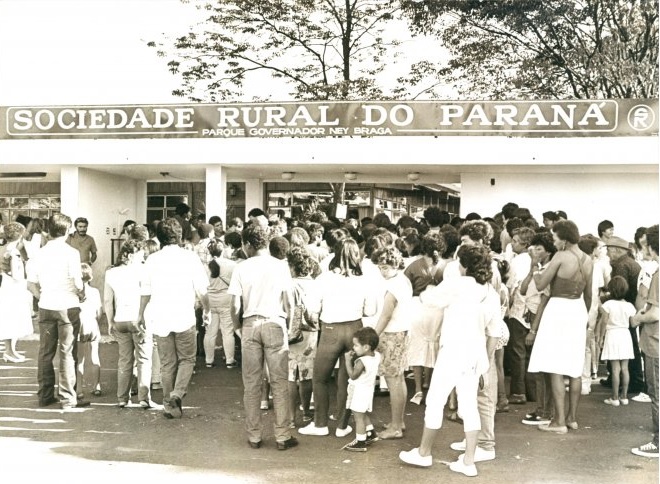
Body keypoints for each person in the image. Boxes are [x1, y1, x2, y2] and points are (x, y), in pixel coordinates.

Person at [399, 244, 501, 477]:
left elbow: (428, 299)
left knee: (435, 401)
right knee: (470, 406)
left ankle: (424, 453)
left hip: (453, 350)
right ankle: (468, 461)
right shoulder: (491, 294)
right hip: (475, 355)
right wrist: (484, 362)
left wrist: (432, 282)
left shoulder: (456, 285)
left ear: (463, 265)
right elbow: (493, 333)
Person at [228, 225, 298, 450]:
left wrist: (238, 327)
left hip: (250, 323)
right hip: (275, 321)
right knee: (279, 382)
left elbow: (235, 305)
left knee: (252, 385)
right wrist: (289, 326)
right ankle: (282, 435)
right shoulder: (281, 266)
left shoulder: (241, 267)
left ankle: (255, 435)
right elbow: (290, 302)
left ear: (247, 245)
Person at [299, 238, 377, 438]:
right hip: (355, 329)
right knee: (347, 380)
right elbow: (371, 309)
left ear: (335, 253)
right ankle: (342, 425)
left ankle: (320, 424)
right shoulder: (364, 279)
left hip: (331, 329)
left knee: (320, 378)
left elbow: (313, 308)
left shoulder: (324, 279)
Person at [137, 218, 210, 418]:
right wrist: (207, 310)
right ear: (179, 235)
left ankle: (170, 404)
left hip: (160, 317)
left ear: (159, 237)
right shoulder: (190, 257)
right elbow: (202, 290)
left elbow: (146, 291)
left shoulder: (152, 260)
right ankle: (177, 394)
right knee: (187, 359)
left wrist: (140, 314)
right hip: (184, 316)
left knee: (168, 363)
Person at [527, 220, 593, 433]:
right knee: (574, 366)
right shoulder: (588, 259)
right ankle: (572, 418)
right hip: (578, 309)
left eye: (555, 238)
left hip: (558, 309)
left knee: (555, 365)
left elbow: (540, 284)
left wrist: (536, 265)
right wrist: (584, 316)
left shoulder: (561, 257)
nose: (553, 242)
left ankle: (558, 422)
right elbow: (589, 295)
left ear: (564, 239)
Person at [27, 213, 89, 409]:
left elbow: (31, 285)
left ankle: (45, 395)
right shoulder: (71, 253)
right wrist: (81, 294)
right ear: (68, 230)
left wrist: (43, 296)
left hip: (46, 306)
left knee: (45, 352)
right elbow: (78, 283)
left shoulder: (39, 253)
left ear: (49, 230)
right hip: (68, 307)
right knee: (67, 352)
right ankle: (68, 397)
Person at [105, 240, 156, 408]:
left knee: (124, 360)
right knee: (143, 360)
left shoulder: (111, 273)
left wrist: (110, 321)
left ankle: (122, 398)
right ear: (133, 254)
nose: (144, 257)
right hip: (139, 319)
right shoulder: (144, 271)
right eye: (142, 254)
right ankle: (144, 398)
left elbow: (107, 300)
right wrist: (144, 316)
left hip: (120, 320)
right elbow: (148, 296)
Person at [371, 246, 413, 440]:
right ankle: (399, 421)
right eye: (379, 267)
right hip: (400, 333)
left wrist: (373, 336)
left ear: (395, 264)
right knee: (398, 378)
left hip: (391, 335)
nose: (382, 271)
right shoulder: (402, 280)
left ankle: (396, 426)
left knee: (393, 380)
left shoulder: (393, 286)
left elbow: (386, 314)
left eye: (385, 267)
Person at [405, 233, 447, 404]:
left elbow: (405, 288)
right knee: (433, 345)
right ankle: (429, 382)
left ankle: (417, 389)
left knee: (417, 347)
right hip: (438, 310)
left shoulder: (414, 266)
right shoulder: (446, 267)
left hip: (418, 308)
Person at [631, 224, 659, 457]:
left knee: (657, 393)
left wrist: (637, 318)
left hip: (655, 341)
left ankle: (659, 442)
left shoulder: (658, 276)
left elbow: (654, 314)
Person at [286, 246, 320, 427]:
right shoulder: (316, 285)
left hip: (291, 331)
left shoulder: (288, 285)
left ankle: (291, 417)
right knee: (306, 373)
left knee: (291, 374)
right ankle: (306, 412)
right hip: (310, 331)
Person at [342, 327, 382, 452]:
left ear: (366, 347)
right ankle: (370, 433)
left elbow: (353, 376)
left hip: (359, 391)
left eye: (356, 345)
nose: (353, 348)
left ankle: (360, 441)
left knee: (358, 416)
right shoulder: (376, 356)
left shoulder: (361, 361)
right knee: (362, 413)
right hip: (368, 390)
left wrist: (347, 361)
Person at [598, 276, 636, 406]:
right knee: (625, 368)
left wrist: (601, 337)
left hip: (612, 335)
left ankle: (614, 398)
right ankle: (624, 397)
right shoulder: (629, 306)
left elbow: (604, 321)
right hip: (625, 335)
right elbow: (633, 323)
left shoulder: (608, 305)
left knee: (615, 369)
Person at [0, 222, 33, 362]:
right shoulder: (13, 252)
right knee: (13, 319)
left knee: (10, 319)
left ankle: (10, 351)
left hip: (7, 285)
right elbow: (16, 274)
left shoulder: (4, 248)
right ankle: (9, 351)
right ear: (19, 236)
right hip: (14, 287)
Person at [205, 241, 239, 368]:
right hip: (226, 299)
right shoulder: (232, 265)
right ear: (222, 250)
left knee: (210, 331)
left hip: (210, 299)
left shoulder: (205, 267)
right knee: (227, 331)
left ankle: (209, 360)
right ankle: (229, 360)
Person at [76, 263, 102, 399]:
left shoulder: (75, 293)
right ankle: (96, 386)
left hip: (80, 325)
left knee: (80, 360)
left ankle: (79, 389)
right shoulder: (95, 292)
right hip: (92, 324)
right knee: (94, 356)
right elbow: (99, 312)